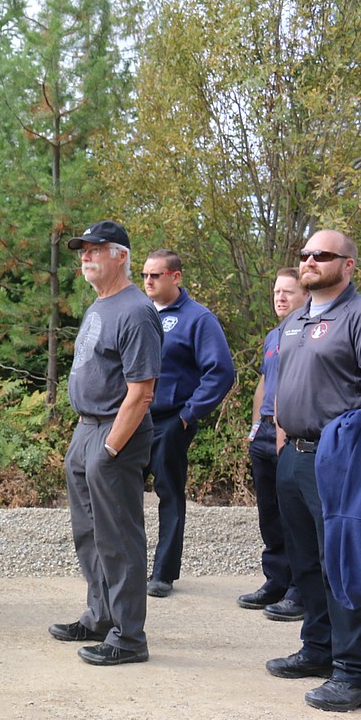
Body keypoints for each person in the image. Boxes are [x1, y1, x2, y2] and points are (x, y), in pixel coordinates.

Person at [49, 220, 160, 666]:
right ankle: (99, 617)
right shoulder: (101, 306)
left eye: (96, 249)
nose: (86, 256)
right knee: (89, 534)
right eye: (82, 250)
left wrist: (111, 448)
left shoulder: (136, 311)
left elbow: (142, 391)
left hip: (116, 431)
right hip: (87, 428)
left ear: (121, 256)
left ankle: (129, 637)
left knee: (119, 539)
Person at [268, 229, 361, 712]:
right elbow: (286, 385)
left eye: (321, 254)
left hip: (340, 458)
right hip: (294, 455)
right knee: (304, 560)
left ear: (348, 265)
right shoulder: (296, 319)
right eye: (304, 253)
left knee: (341, 564)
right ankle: (319, 649)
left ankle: (353, 671)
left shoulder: (358, 315)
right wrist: (283, 441)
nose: (308, 260)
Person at [141, 250, 235, 598]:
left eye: (156, 275)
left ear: (175, 276)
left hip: (170, 420)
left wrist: (188, 414)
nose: (148, 281)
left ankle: (163, 573)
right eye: (145, 275)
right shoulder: (140, 314)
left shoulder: (198, 319)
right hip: (132, 419)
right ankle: (126, 567)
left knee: (169, 495)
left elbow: (221, 371)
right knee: (121, 493)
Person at [237, 268, 307, 620]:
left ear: (305, 295)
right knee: (270, 514)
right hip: (263, 433)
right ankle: (276, 581)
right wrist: (254, 427)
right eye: (277, 291)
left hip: (291, 434)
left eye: (288, 292)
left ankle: (300, 590)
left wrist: (282, 429)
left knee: (296, 516)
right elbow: (264, 386)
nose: (280, 297)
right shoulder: (272, 336)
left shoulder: (311, 333)